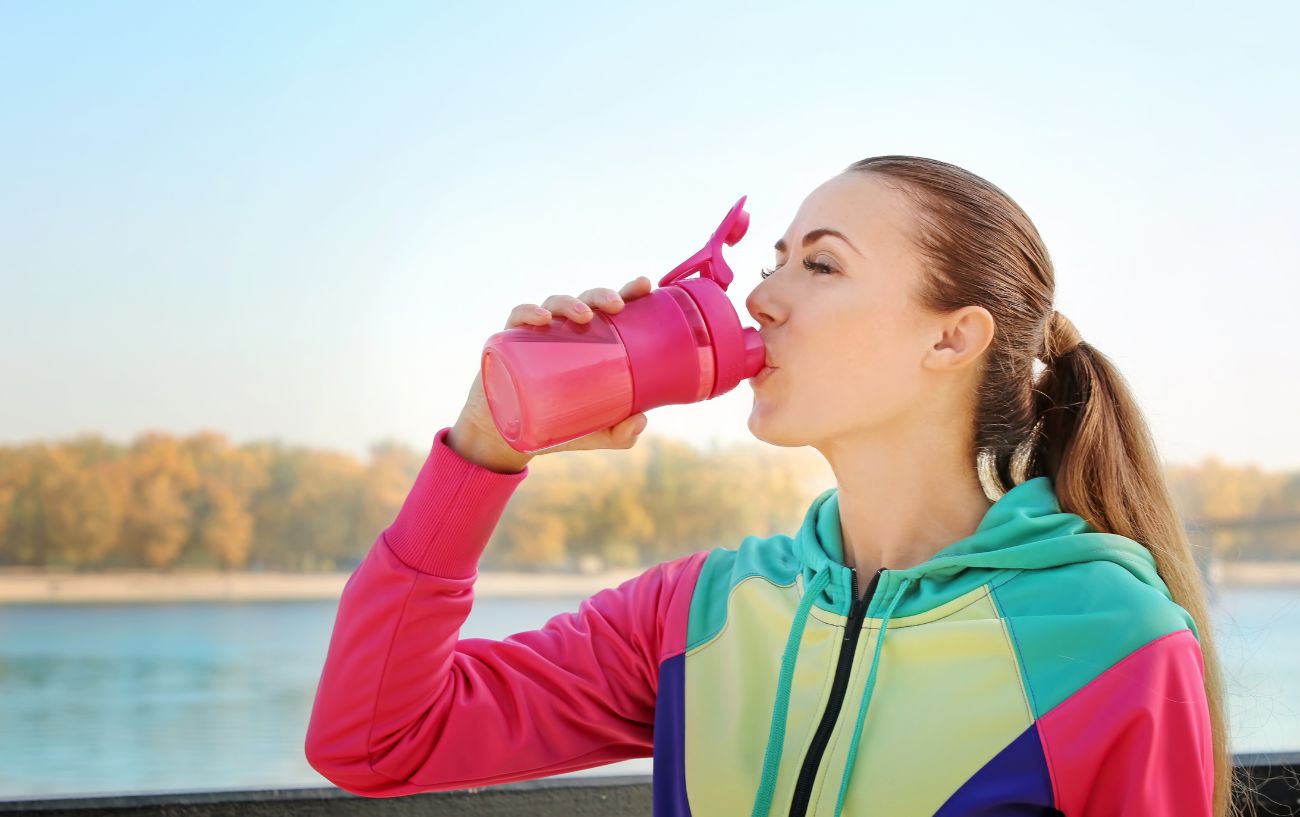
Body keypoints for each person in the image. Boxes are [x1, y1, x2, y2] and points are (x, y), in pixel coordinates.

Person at [304, 156, 1236, 817]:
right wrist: (482, 447)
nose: (759, 298)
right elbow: (375, 738)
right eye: (773, 260)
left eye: (820, 264)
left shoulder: (1112, 638)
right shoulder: (695, 612)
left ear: (951, 337)